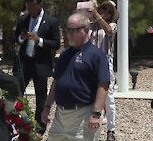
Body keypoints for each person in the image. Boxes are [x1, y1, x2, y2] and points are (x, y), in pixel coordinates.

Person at [41, 12, 110, 141]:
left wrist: (96, 113)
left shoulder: (96, 55)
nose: (69, 34)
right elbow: (56, 82)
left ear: (85, 30)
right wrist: (47, 106)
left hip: (83, 114)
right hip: (61, 115)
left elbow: (103, 85)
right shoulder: (64, 54)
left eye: (74, 30)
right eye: (68, 30)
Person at [13, 0, 60, 136]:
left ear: (39, 5)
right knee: (16, 93)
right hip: (24, 62)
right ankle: (17, 122)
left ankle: (39, 127)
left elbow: (56, 44)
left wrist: (38, 40)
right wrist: (22, 38)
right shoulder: (23, 19)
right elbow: (16, 38)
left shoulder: (51, 21)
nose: (30, 10)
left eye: (32, 7)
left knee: (41, 98)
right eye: (28, 6)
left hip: (41, 64)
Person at [89, 0, 119, 141]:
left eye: (109, 11)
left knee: (109, 97)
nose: (105, 13)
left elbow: (108, 31)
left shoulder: (112, 25)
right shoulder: (92, 25)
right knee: (90, 95)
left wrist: (97, 15)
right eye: (103, 9)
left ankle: (111, 130)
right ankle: (91, 127)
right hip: (90, 62)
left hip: (105, 61)